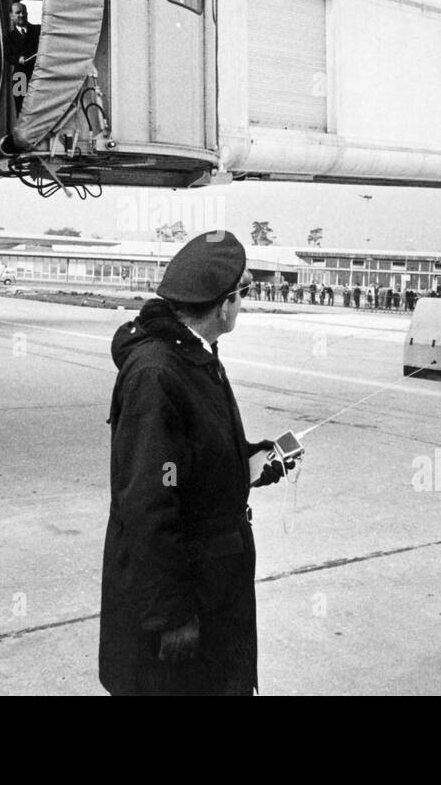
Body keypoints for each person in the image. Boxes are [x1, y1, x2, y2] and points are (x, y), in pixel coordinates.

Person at [99, 230, 289, 696]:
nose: (242, 305)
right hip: (186, 599)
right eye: (242, 295)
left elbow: (190, 461)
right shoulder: (158, 373)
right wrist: (172, 616)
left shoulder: (194, 355)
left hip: (212, 585)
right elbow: (148, 501)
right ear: (224, 306)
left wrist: (249, 459)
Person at [5, 1, 39, 104]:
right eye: (18, 12)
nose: (22, 15)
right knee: (21, 106)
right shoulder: (8, 37)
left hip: (39, 74)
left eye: (24, 12)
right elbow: (8, 56)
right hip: (20, 76)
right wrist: (18, 59)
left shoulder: (39, 30)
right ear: (11, 16)